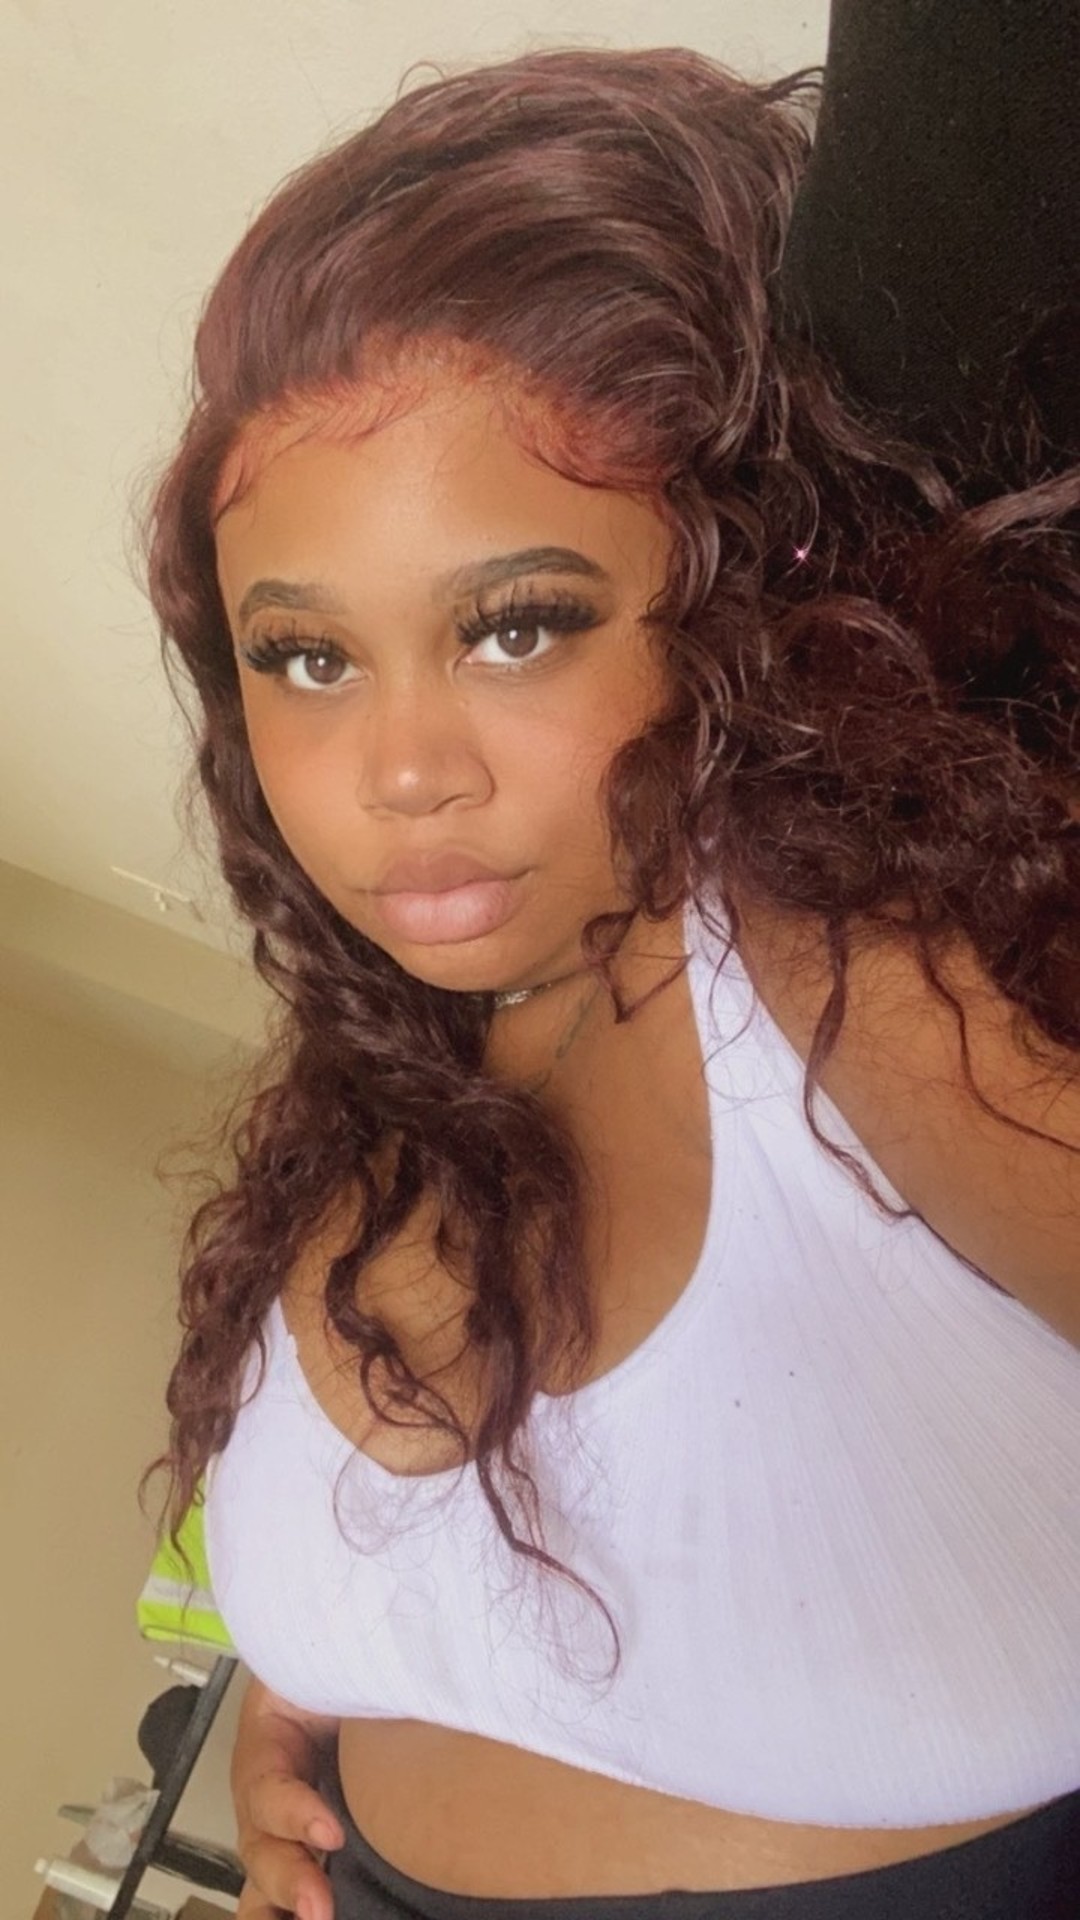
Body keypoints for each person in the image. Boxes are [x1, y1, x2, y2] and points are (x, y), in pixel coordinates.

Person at [144, 3, 1080, 1916]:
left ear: (745, 583)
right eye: (305, 657)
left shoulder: (869, 972)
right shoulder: (387, 1086)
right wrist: (308, 1696)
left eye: (514, 625)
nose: (399, 771)